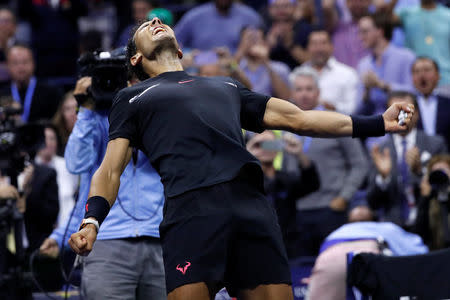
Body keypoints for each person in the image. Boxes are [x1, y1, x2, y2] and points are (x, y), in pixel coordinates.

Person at [68, 17, 414, 300]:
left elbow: (301, 119)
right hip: (192, 211)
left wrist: (378, 123)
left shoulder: (226, 87)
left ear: (180, 48)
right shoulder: (132, 97)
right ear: (135, 60)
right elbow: (110, 169)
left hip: (251, 207)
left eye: (158, 21)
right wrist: (91, 222)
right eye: (145, 26)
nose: (155, 21)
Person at [40, 77, 166, 300]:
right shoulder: (98, 121)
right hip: (106, 240)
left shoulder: (163, 118)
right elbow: (76, 164)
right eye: (126, 78)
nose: (131, 85)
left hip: (160, 238)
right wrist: (86, 110)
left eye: (138, 78)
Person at [284, 67, 369, 256]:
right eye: (299, 89)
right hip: (295, 212)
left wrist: (344, 197)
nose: (304, 94)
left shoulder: (336, 121)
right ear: (292, 93)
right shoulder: (283, 125)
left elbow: (359, 164)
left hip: (331, 208)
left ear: (318, 92)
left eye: (309, 89)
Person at [306, 205, 428, 300]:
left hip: (331, 261)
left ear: (349, 221)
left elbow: (321, 258)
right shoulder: (386, 227)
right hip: (371, 256)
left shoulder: (336, 232)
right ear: (372, 219)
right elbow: (419, 250)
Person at [368, 91, 447, 228]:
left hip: (430, 224)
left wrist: (420, 172)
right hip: (393, 227)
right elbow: (372, 203)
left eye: (403, 111)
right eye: (394, 111)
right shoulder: (380, 150)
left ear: (416, 114)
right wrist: (383, 178)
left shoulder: (435, 144)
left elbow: (444, 189)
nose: (399, 117)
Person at [246, 130, 320, 258]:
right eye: (259, 145)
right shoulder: (244, 179)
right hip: (254, 243)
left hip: (288, 244)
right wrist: (247, 153)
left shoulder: (285, 179)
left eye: (271, 144)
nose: (265, 149)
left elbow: (312, 184)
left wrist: (299, 154)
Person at [357, 12, 416, 115]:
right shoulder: (363, 64)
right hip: (372, 125)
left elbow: (415, 93)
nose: (360, 37)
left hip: (400, 121)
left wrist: (382, 85)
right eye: (360, 32)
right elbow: (358, 111)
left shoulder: (406, 57)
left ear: (380, 31)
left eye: (365, 32)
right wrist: (367, 91)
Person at [301, 29, 359, 114]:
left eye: (323, 43)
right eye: (314, 44)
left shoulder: (348, 74)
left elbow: (354, 109)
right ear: (308, 48)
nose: (319, 49)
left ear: (332, 46)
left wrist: (333, 107)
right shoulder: (299, 73)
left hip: (337, 124)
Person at [393, 0, 450, 86]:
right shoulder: (406, 13)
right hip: (414, 78)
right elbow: (385, 19)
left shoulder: (448, 15)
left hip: (445, 78)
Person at [0, 44, 62, 123]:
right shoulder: (2, 93)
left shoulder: (51, 92)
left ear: (33, 63)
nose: (21, 67)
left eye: (25, 62)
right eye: (15, 63)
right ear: (7, 66)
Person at [174, 0, 263, 53]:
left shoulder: (251, 17)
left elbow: (260, 49)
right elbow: (173, 43)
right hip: (200, 74)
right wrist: (188, 54)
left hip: (239, 74)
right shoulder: (194, 16)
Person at [235, 27, 291, 99]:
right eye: (248, 39)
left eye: (255, 39)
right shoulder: (236, 65)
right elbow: (223, 78)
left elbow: (286, 97)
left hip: (268, 108)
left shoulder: (280, 68)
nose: (252, 43)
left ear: (264, 42)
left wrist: (266, 62)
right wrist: (240, 52)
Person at [412, 57, 450, 148]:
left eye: (427, 70)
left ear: (438, 75)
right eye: (417, 71)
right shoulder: (407, 105)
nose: (422, 75)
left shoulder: (448, 104)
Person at [414, 154, 450, 250]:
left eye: (443, 171)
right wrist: (424, 198)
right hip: (437, 253)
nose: (439, 175)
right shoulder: (430, 201)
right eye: (435, 172)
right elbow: (419, 234)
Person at [323, 0, 371, 68]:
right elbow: (327, 6)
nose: (357, 4)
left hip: (368, 75)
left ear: (369, 2)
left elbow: (381, 6)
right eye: (353, 1)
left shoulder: (376, 26)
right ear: (346, 3)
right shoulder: (337, 26)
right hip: (341, 75)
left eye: (361, 0)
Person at [52, 91, 78, 155]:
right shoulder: (55, 136)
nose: (73, 113)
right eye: (68, 109)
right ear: (62, 113)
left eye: (77, 108)